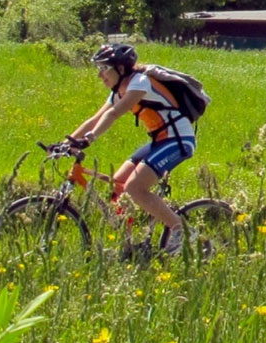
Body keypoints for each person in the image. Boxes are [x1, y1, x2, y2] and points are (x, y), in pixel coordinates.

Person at [64, 43, 196, 254]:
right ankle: (128, 247)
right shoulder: (119, 90)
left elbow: (114, 114)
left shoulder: (140, 83)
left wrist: (89, 139)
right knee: (117, 186)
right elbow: (95, 118)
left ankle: (183, 232)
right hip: (160, 141)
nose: (100, 75)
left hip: (178, 140)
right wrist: (67, 142)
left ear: (121, 69)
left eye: (104, 68)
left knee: (134, 188)